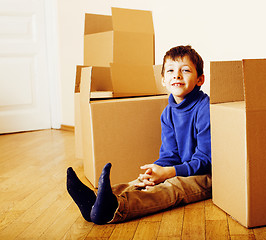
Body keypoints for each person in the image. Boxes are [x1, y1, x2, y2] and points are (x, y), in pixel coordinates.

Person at [66, 45, 212, 225]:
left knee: (172, 187)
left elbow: (206, 160)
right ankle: (95, 201)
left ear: (200, 79)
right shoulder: (167, 113)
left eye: (186, 70)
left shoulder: (205, 108)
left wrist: (169, 173)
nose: (177, 75)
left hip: (206, 175)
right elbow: (169, 155)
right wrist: (155, 171)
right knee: (142, 181)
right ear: (163, 80)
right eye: (171, 71)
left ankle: (115, 209)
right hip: (180, 169)